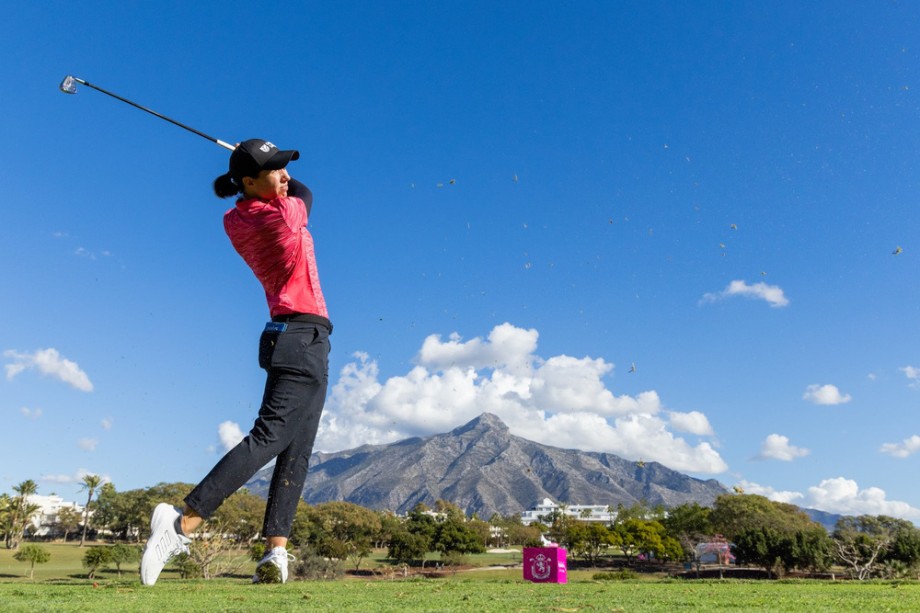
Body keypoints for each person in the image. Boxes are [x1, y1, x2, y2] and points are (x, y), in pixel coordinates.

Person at [140, 139, 332, 585]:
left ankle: (274, 553)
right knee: (270, 436)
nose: (286, 176)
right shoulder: (283, 215)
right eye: (276, 170)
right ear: (249, 181)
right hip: (301, 335)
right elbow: (307, 193)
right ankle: (182, 523)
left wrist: (258, 166)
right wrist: (263, 171)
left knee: (296, 449)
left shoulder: (236, 217)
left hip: (296, 336)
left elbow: (287, 187)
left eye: (285, 168)